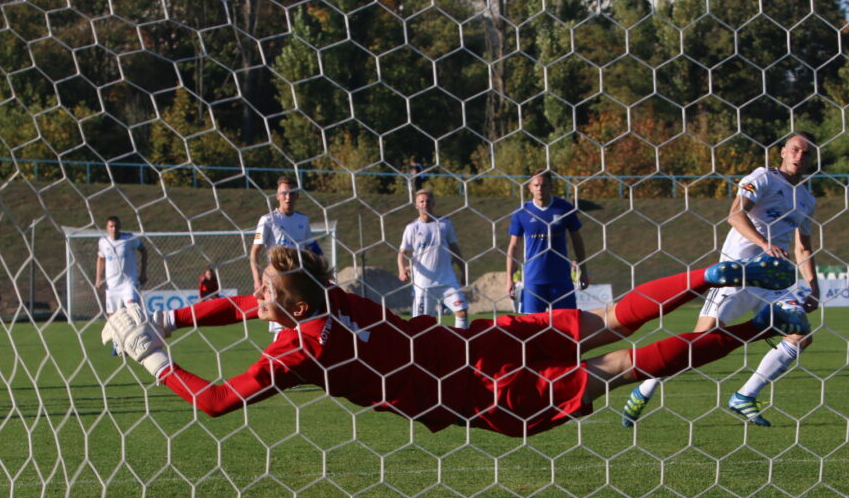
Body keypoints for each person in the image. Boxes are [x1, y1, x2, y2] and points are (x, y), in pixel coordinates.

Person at [103, 247, 809, 439]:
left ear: (291, 306)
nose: (252, 296)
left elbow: (217, 401)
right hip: (477, 341)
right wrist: (174, 318)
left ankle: (760, 326)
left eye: (263, 290)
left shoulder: (301, 349)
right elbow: (242, 303)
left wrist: (155, 357)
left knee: (617, 364)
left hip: (479, 391)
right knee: (612, 320)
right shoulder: (331, 297)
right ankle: (706, 275)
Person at [621, 131, 820, 428]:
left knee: (800, 334)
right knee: (700, 344)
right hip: (736, 274)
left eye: (806, 152)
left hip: (772, 281)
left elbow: (803, 248)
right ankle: (646, 387)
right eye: (794, 149)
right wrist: (765, 244)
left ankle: (745, 396)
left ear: (812, 158)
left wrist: (814, 288)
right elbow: (735, 215)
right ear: (782, 151)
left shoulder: (806, 199)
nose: (799, 156)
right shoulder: (763, 178)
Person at [249, 176, 323, 339]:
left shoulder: (303, 220)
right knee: (281, 326)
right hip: (277, 282)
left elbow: (312, 248)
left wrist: (322, 269)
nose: (288, 197)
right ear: (277, 196)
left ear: (297, 195)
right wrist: (257, 280)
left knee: (302, 325)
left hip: (299, 281)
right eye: (284, 193)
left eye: (292, 193)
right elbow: (255, 251)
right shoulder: (267, 220)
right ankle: (278, 353)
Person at [506, 170, 590, 313]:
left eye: (544, 185)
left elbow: (577, 240)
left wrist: (584, 271)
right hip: (533, 281)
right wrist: (509, 278)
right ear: (530, 187)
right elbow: (513, 246)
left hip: (561, 279)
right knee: (532, 325)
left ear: (551, 186)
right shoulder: (522, 212)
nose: (540, 188)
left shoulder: (564, 208)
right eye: (536, 185)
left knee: (565, 323)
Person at [397, 190, 469, 329]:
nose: (425, 204)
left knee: (462, 312)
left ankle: (461, 340)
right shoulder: (412, 228)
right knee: (422, 324)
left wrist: (463, 270)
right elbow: (402, 252)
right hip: (423, 284)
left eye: (428, 201)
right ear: (416, 205)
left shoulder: (444, 224)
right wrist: (402, 269)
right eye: (422, 201)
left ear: (434, 203)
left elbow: (455, 249)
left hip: (447, 281)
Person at [95, 216, 147, 316]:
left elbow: (143, 250)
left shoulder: (129, 238)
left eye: (116, 226)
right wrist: (98, 278)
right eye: (111, 226)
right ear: (107, 228)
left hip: (129, 283)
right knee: (112, 317)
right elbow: (101, 258)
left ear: (120, 227)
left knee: (134, 312)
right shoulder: (103, 242)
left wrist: (143, 272)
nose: (114, 229)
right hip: (111, 285)